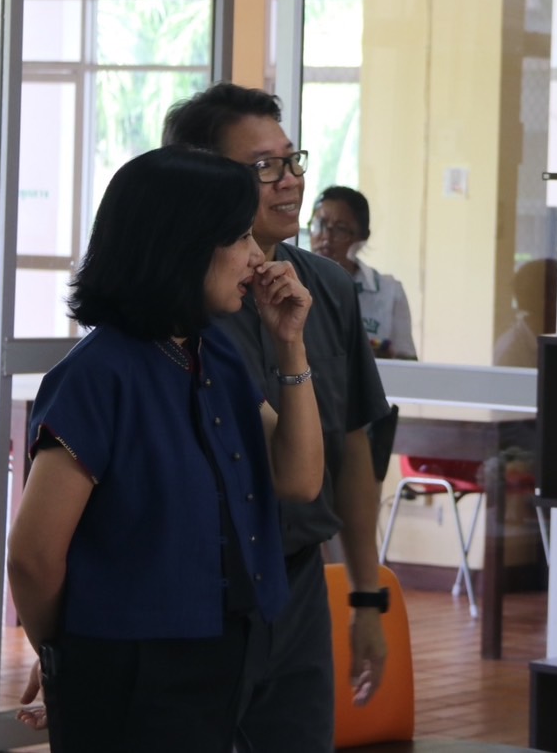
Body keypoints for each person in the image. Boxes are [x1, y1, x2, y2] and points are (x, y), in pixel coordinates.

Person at [6, 146, 323, 752]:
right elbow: (32, 556)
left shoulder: (213, 350)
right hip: (130, 666)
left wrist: (291, 346)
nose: (257, 257)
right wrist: (59, 655)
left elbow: (299, 479)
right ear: (182, 245)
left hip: (225, 646)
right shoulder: (99, 373)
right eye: (240, 237)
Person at [162, 83, 392, 753]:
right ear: (206, 180)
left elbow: (353, 450)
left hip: (297, 581)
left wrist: (366, 597)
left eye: (291, 160)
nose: (289, 181)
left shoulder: (328, 288)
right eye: (264, 166)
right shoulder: (173, 305)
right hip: (195, 584)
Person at [309, 185, 417, 360]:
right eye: (319, 225)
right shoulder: (293, 282)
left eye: (340, 229)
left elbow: (408, 362)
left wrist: (381, 359)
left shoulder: (389, 292)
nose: (326, 238)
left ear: (362, 238)